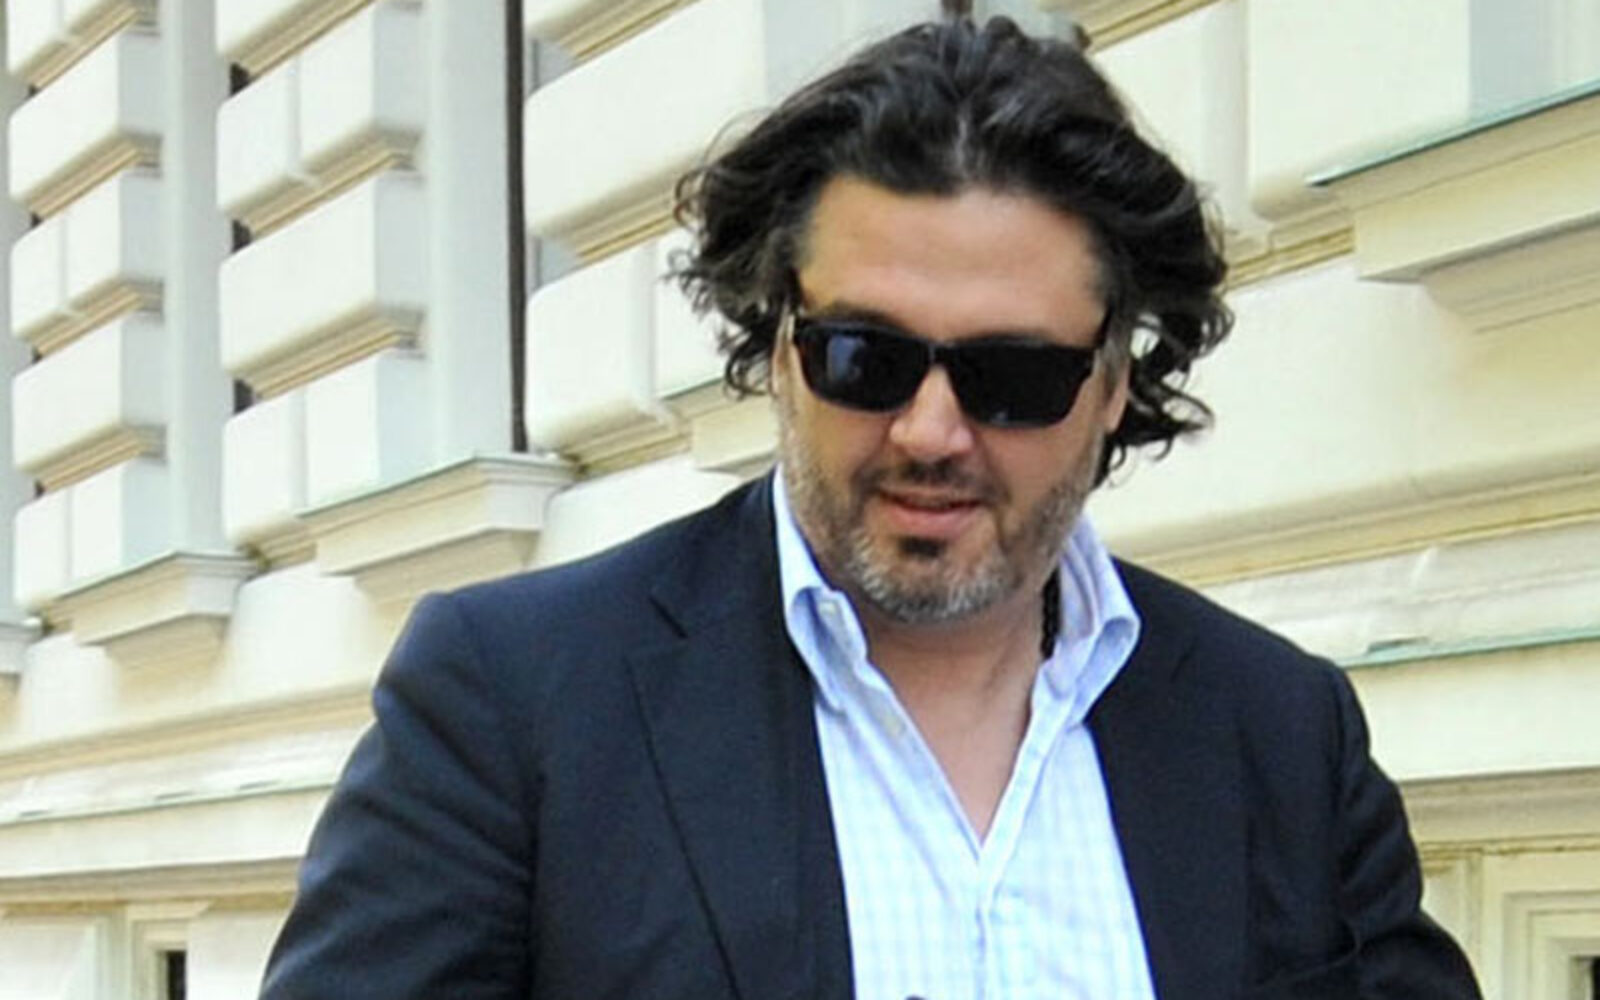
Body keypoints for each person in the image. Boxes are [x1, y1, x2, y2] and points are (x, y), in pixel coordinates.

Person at [259, 15, 1482, 1000]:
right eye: (865, 358)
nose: (930, 432)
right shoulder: (515, 701)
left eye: (1011, 375)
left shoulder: (1280, 731)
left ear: (1114, 383)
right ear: (778, 348)